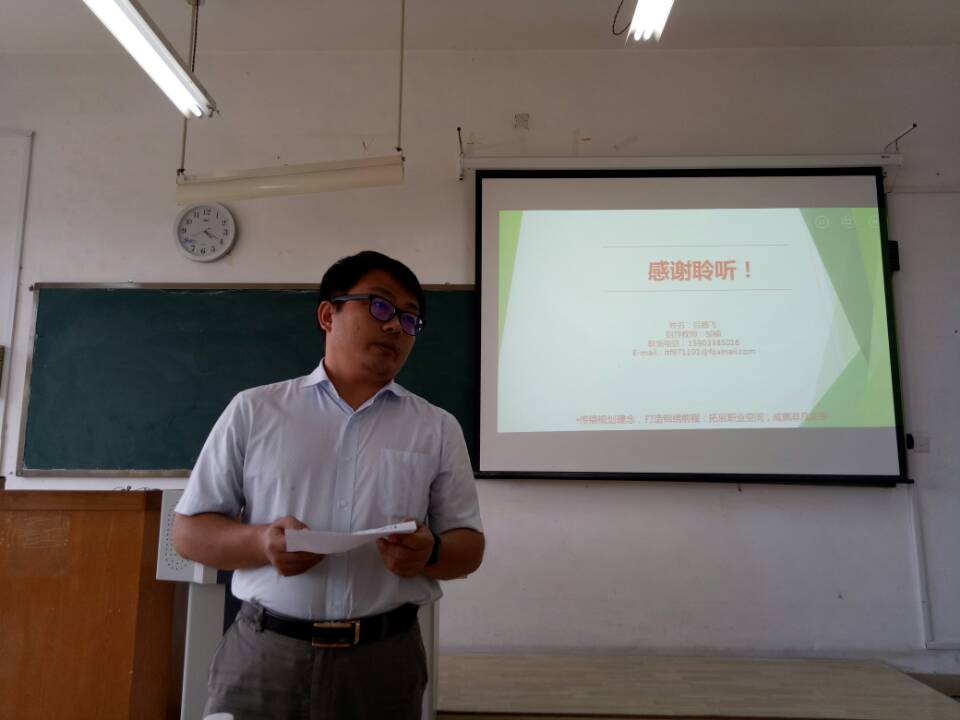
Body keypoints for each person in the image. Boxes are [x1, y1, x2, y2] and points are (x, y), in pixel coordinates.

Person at [173, 250, 484, 720]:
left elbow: (470, 546)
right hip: (265, 656)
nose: (395, 326)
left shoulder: (437, 427)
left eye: (410, 318)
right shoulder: (255, 410)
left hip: (384, 663)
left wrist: (432, 551)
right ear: (327, 315)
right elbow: (188, 533)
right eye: (380, 305)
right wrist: (261, 543)